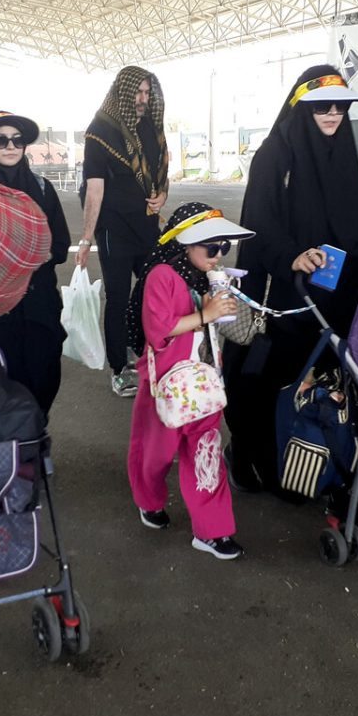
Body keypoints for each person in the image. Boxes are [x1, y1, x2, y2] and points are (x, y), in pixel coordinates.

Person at [222, 65, 358, 500]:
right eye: (321, 105)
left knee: (335, 384)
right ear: (300, 107)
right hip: (290, 296)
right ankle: (259, 460)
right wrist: (291, 257)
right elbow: (259, 224)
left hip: (340, 298)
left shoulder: (343, 152)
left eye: (341, 105)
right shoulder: (274, 156)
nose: (332, 113)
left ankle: (323, 464)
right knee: (276, 378)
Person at [127, 202, 252, 560]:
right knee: (155, 453)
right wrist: (205, 313)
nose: (218, 255)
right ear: (185, 245)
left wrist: (220, 305)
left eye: (223, 248)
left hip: (204, 381)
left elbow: (220, 325)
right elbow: (159, 331)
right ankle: (148, 500)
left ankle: (213, 531)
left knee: (207, 451)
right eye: (211, 248)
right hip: (165, 383)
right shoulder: (163, 275)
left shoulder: (207, 277)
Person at [77, 65, 170, 398]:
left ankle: (144, 352)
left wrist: (162, 196)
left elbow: (159, 175)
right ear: (122, 92)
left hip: (147, 225)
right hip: (114, 229)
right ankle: (119, 367)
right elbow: (94, 189)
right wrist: (87, 238)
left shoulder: (151, 127)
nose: (143, 99)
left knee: (152, 292)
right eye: (137, 92)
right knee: (117, 298)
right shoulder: (100, 131)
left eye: (147, 93)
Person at [0, 111, 70, 415]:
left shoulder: (41, 188)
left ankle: (35, 439)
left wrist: (31, 256)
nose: (10, 146)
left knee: (44, 377)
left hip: (38, 306)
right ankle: (7, 451)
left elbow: (60, 245)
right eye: (0, 139)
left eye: (17, 139)